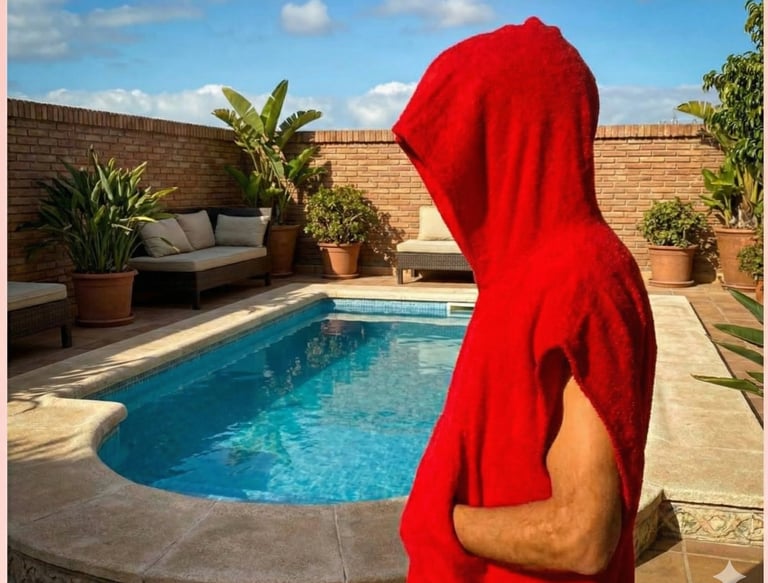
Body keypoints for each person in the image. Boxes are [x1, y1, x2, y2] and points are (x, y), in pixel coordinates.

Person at [391, 17, 657, 583]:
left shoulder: (584, 282)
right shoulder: (521, 279)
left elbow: (582, 537)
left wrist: (436, 519)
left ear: (505, 141)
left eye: (462, 151)